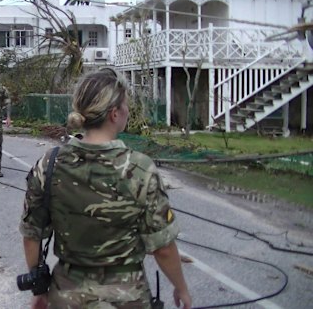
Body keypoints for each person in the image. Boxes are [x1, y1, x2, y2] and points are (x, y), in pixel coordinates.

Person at [19, 71, 192, 309]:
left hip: (67, 296)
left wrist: (39, 290)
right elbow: (162, 248)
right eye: (126, 106)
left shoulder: (48, 165)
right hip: (127, 297)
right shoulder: (140, 168)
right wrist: (181, 288)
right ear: (114, 114)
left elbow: (32, 236)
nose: (128, 111)